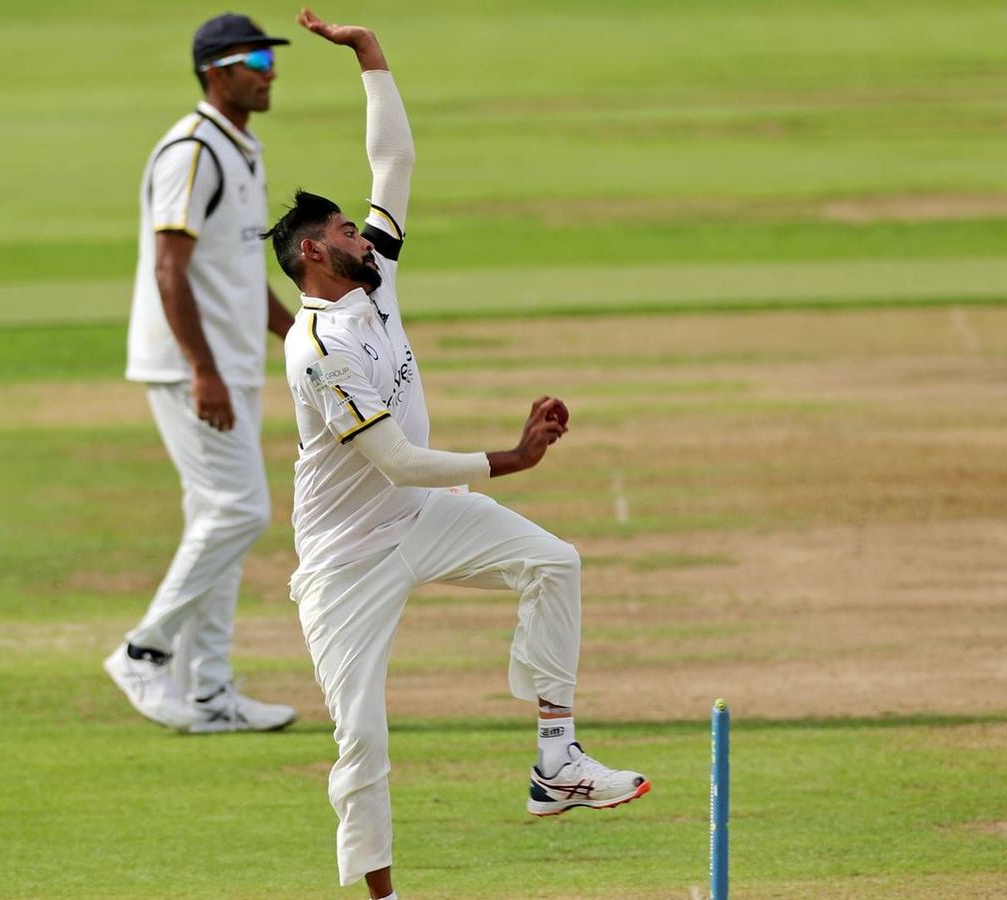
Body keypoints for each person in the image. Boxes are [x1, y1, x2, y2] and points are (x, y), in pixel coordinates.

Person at [266, 10, 651, 897]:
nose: (369, 238)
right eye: (352, 236)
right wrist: (512, 460)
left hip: (423, 519)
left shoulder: (376, 278)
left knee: (554, 563)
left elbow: (392, 163)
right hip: (347, 561)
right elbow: (396, 460)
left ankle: (558, 763)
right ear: (318, 253)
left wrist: (370, 56)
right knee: (361, 736)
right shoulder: (319, 349)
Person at [106, 13, 298, 735]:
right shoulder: (191, 152)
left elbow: (242, 272)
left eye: (271, 57)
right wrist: (202, 371)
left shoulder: (243, 148)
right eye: (254, 58)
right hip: (190, 368)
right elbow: (170, 267)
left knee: (219, 518)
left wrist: (303, 334)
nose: (269, 69)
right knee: (241, 510)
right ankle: (143, 652)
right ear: (215, 70)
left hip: (232, 364)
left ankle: (211, 692)